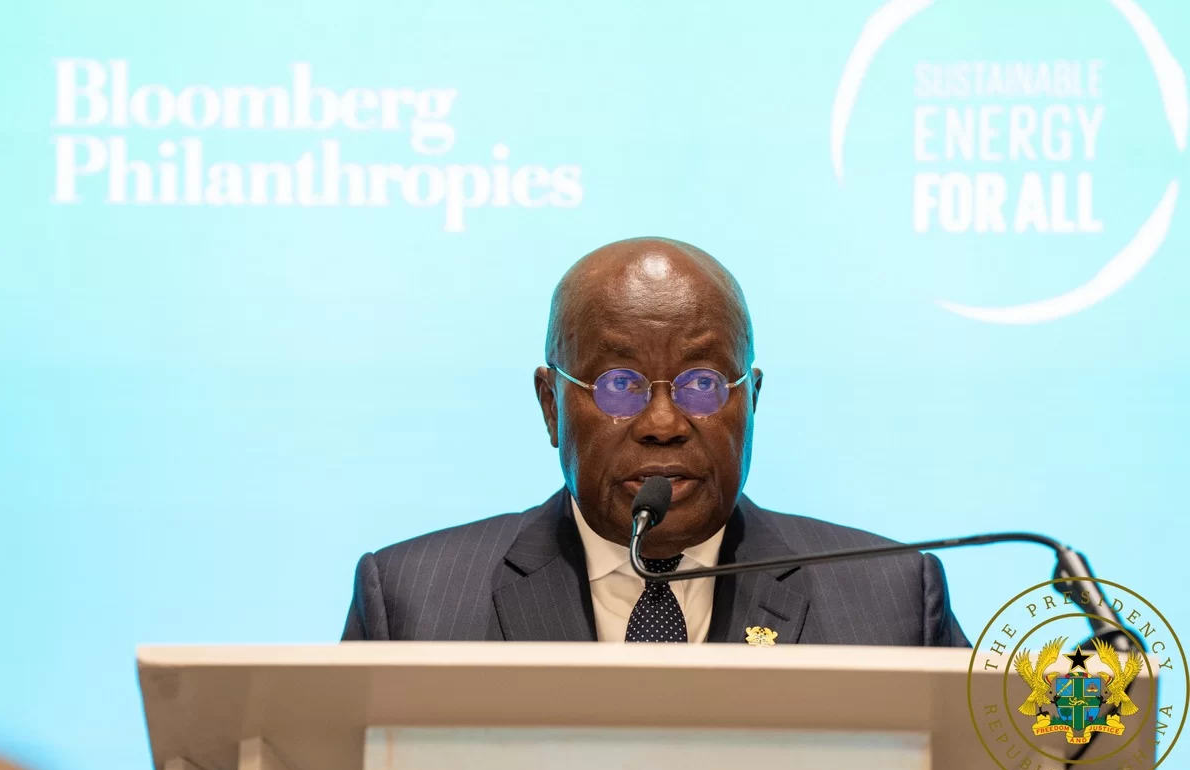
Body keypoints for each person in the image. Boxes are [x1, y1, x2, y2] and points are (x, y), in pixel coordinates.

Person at [342, 237, 968, 646]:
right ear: (551, 405)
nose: (664, 422)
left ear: (752, 400)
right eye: (619, 385)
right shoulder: (412, 604)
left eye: (702, 383)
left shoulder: (891, 602)